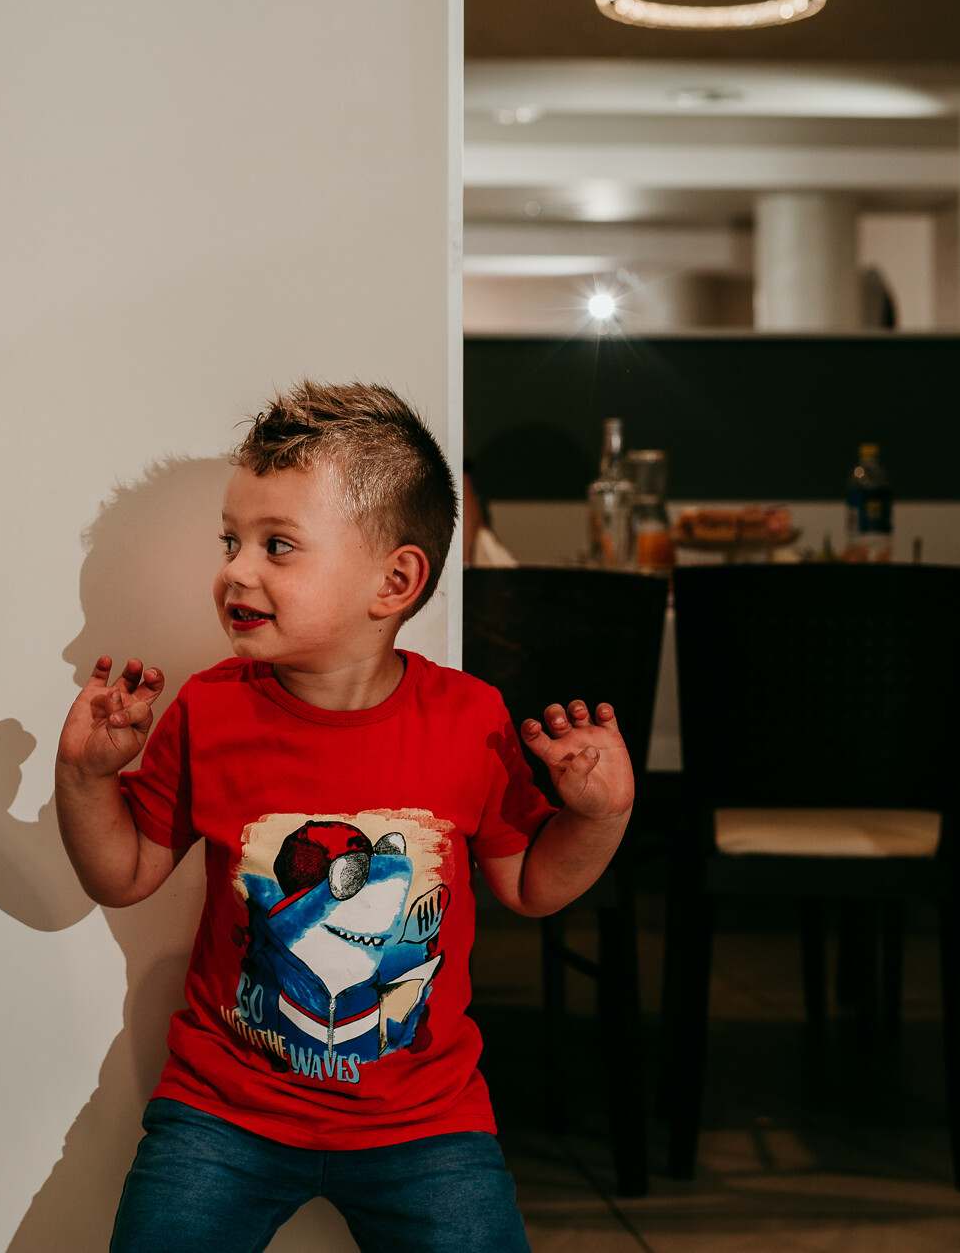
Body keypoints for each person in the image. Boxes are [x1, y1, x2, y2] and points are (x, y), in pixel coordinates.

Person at [54, 381, 632, 1253]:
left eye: (278, 545)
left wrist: (601, 814)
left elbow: (531, 884)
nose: (237, 570)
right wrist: (85, 775)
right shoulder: (210, 710)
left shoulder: (470, 720)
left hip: (426, 1122)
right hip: (224, 1110)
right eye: (231, 541)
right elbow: (123, 871)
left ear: (394, 581)